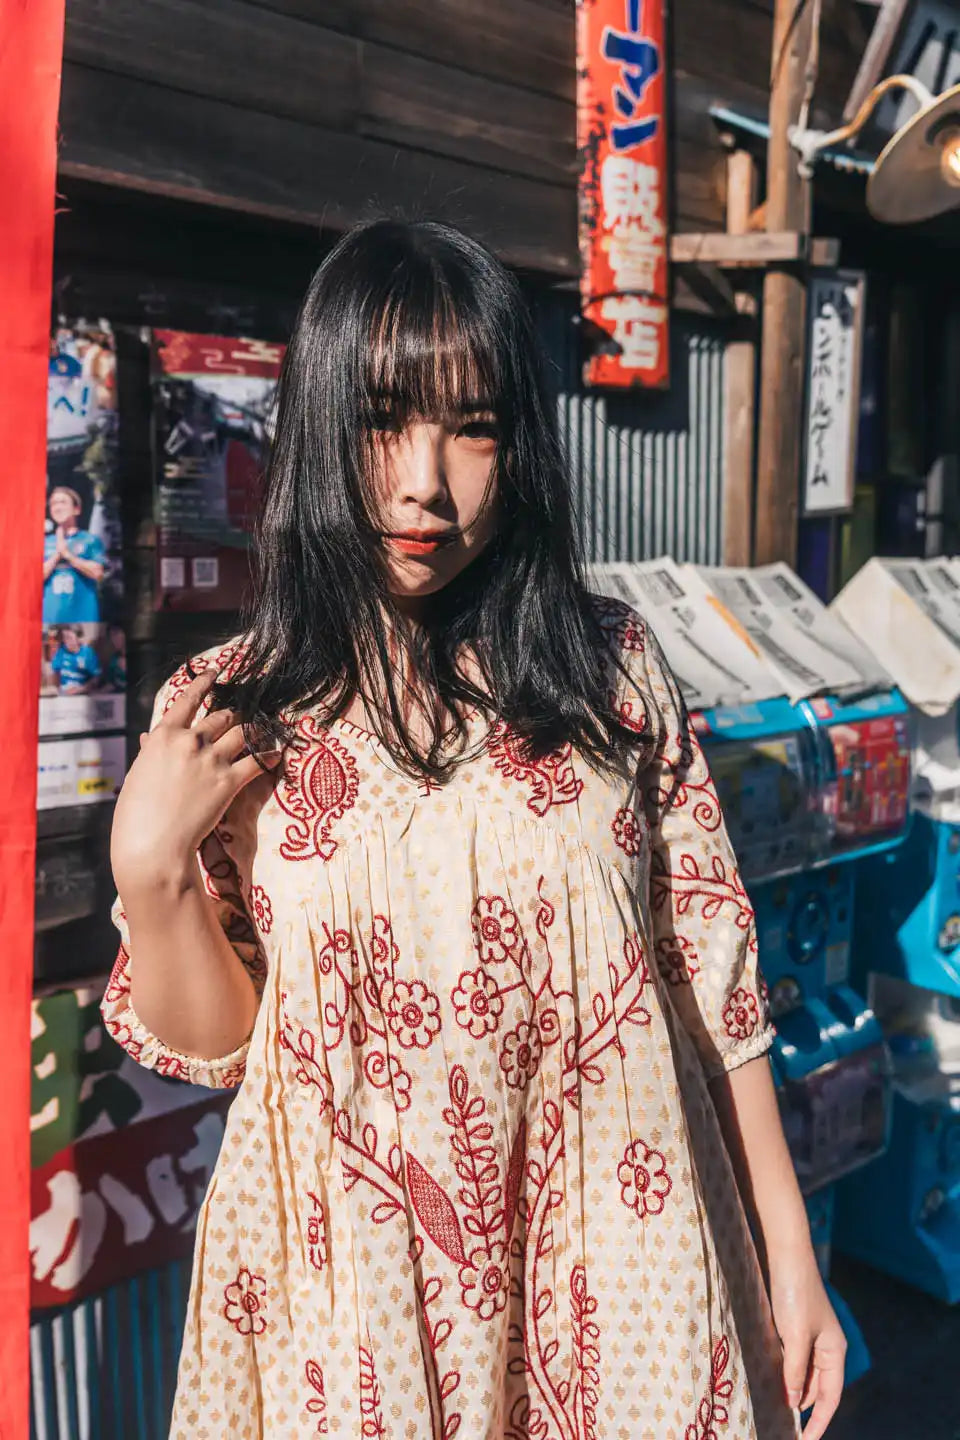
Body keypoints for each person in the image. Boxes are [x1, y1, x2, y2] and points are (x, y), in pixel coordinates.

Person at [103, 221, 845, 1440]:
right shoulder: (234, 708)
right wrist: (152, 873)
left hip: (622, 1258)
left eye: (476, 426)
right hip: (357, 1297)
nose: (424, 484)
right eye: (383, 418)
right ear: (318, 426)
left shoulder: (611, 669)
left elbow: (708, 961)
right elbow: (232, 1047)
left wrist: (790, 1249)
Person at [42, 485, 106, 624]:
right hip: (49, 619)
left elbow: (98, 573)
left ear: (76, 509)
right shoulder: (45, 542)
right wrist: (57, 555)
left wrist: (69, 556)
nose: (58, 507)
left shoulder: (89, 540)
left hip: (83, 618)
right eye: (53, 503)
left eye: (63, 502)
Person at [51, 624, 101, 695]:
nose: (66, 641)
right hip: (64, 693)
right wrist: (58, 689)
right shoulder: (61, 651)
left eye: (69, 638)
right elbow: (55, 673)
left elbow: (96, 677)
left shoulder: (88, 652)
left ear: (78, 638)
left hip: (82, 693)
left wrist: (81, 689)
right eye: (64, 637)